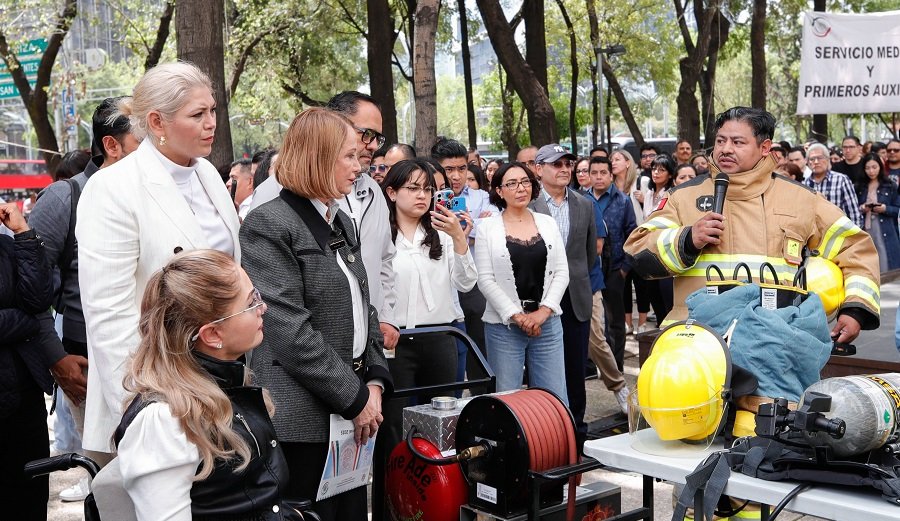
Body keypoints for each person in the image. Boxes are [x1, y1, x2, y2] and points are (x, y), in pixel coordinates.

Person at [77, 62, 242, 463]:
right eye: (197, 115)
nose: (211, 124)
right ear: (156, 121)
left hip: (219, 378)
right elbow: (109, 316)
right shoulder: (112, 188)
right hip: (154, 389)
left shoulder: (206, 174)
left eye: (213, 111)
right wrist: (145, 409)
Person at [241, 108, 392, 520]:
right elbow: (290, 331)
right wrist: (356, 397)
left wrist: (375, 380)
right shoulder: (269, 224)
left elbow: (365, 303)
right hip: (303, 417)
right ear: (317, 158)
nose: (359, 166)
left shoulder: (340, 219)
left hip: (354, 406)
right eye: (347, 156)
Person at [624, 106, 880, 342]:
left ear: (765, 147)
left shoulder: (802, 200)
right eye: (721, 140)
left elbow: (855, 249)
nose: (725, 149)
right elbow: (638, 251)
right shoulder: (682, 197)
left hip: (775, 342)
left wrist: (855, 309)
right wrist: (687, 239)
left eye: (737, 142)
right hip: (696, 342)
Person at [116, 250, 308, 520]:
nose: (263, 308)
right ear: (213, 334)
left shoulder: (223, 384)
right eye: (252, 302)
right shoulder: (162, 421)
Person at [29, 96, 140, 501]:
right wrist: (56, 356)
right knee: (113, 482)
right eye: (141, 136)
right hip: (89, 365)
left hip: (159, 362)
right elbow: (32, 288)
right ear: (112, 145)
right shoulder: (65, 198)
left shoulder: (154, 192)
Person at [249, 91, 399, 354]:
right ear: (333, 126)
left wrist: (383, 319)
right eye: (367, 135)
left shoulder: (372, 193)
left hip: (361, 348)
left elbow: (382, 261)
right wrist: (353, 392)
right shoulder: (273, 199)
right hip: (309, 362)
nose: (374, 146)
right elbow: (285, 318)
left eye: (378, 138)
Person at [377, 158, 477, 496]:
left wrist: (459, 238)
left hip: (439, 336)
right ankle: (394, 501)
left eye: (428, 189)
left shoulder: (441, 233)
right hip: (395, 341)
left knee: (444, 422)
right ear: (391, 192)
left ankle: (443, 497)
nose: (422, 196)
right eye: (413, 188)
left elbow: (466, 283)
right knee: (393, 425)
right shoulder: (379, 235)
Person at [475, 162, 569, 401]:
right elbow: (485, 280)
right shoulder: (487, 227)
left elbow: (561, 272)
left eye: (525, 182)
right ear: (499, 190)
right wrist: (517, 316)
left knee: (554, 399)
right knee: (508, 400)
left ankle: (554, 440)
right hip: (503, 327)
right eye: (512, 183)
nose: (520, 188)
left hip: (547, 323)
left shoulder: (547, 222)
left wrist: (543, 312)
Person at [532, 144, 598, 451]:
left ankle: (578, 434)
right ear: (538, 168)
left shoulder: (584, 204)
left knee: (575, 368)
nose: (564, 168)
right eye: (555, 163)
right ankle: (545, 434)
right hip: (539, 300)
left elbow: (588, 255)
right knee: (542, 369)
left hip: (575, 298)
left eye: (567, 162)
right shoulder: (529, 205)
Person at [0, 202, 55, 521]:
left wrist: (23, 234)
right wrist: (23, 322)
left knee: (30, 497)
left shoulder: (8, 245)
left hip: (22, 396)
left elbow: (38, 301)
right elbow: (30, 317)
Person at [855, 153, 900, 272]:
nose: (871, 171)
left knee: (885, 261)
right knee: (868, 260)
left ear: (880, 167)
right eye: (867, 168)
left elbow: (897, 209)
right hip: (866, 227)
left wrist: (885, 208)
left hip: (884, 228)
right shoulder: (860, 187)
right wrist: (863, 208)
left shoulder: (889, 185)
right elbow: (854, 208)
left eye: (874, 167)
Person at [804, 143, 863, 228]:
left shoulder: (841, 180)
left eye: (820, 158)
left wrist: (854, 237)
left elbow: (853, 213)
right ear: (807, 162)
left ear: (828, 160)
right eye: (812, 159)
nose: (816, 162)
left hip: (840, 234)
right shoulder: (804, 185)